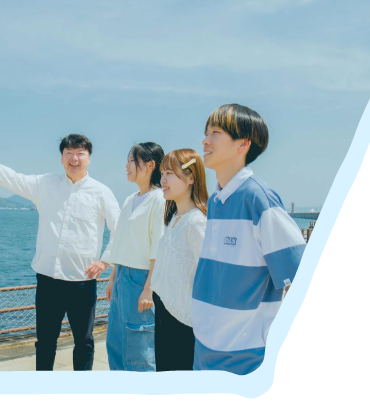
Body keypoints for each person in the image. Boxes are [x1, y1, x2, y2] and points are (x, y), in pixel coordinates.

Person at [0, 134, 120, 371]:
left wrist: (105, 261)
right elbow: (15, 179)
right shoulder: (46, 184)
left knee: (84, 342)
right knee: (45, 341)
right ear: (61, 158)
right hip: (48, 280)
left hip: (82, 281)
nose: (74, 158)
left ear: (89, 158)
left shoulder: (101, 192)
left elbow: (119, 229)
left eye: (80, 153)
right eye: (68, 153)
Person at [192, 104, 307, 375]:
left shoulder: (258, 199)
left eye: (216, 132)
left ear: (243, 144)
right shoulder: (215, 200)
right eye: (206, 132)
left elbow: (300, 276)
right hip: (204, 353)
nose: (205, 140)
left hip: (246, 362)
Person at [100, 143, 165, 372]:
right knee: (116, 343)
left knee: (138, 349)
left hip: (141, 278)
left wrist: (148, 289)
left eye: (131, 160)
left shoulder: (159, 199)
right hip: (122, 276)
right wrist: (112, 278)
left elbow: (158, 248)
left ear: (150, 165)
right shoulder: (130, 199)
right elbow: (122, 243)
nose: (126, 165)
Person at [150, 149, 208, 371]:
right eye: (162, 173)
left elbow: (209, 276)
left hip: (184, 323)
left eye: (169, 173)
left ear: (191, 177)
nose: (162, 180)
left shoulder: (196, 223)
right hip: (165, 314)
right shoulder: (174, 217)